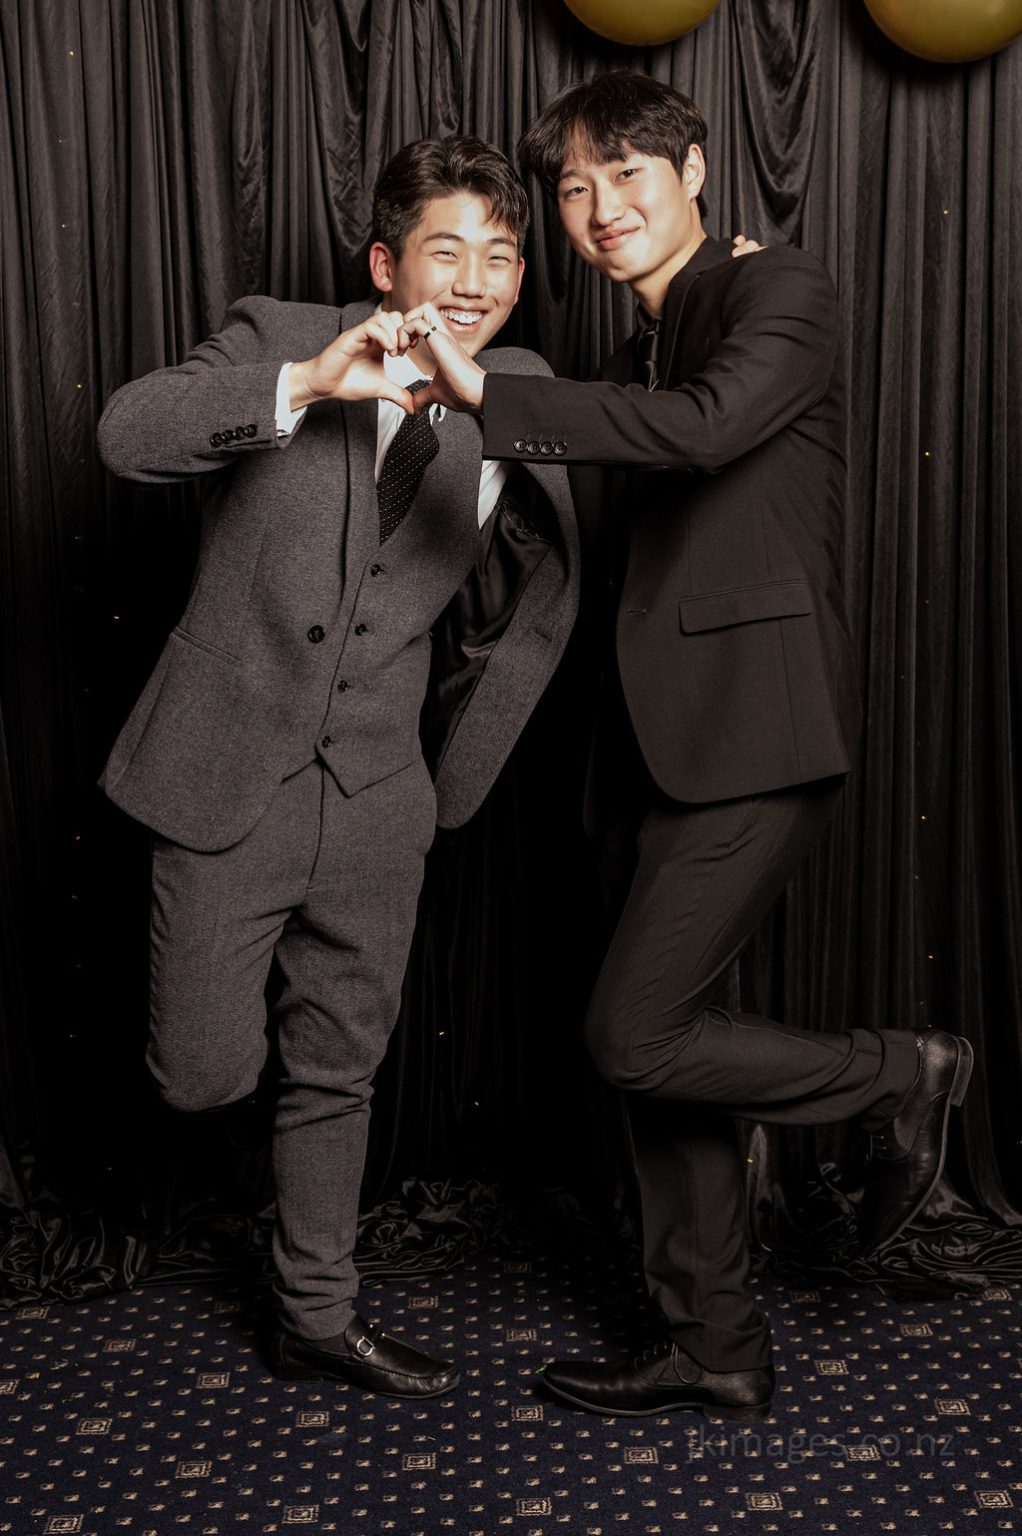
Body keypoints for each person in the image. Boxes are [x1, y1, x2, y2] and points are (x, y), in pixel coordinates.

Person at [406, 72, 974, 1422]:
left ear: (694, 170)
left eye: (626, 173)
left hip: (753, 732)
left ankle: (906, 1075)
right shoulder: (625, 362)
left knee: (632, 1033)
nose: (599, 207)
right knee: (664, 1053)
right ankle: (711, 1342)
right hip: (635, 746)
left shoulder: (780, 293)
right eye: (573, 188)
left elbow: (707, 430)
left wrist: (483, 394)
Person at [96, 135, 579, 1400]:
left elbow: (554, 580)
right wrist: (307, 384)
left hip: (376, 796)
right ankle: (256, 1207)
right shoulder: (282, 332)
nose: (473, 281)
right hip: (225, 771)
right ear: (383, 263)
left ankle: (315, 1312)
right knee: (201, 1075)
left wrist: (448, 774)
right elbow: (125, 435)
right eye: (446, 251)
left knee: (338, 1067)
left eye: (500, 256)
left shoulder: (518, 391)